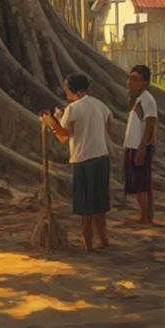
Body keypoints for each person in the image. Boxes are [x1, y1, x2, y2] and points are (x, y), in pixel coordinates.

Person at [41, 72, 113, 251]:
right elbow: (109, 120)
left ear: (73, 90)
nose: (65, 92)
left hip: (83, 159)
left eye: (66, 89)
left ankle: (87, 241)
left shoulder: (73, 108)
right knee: (100, 202)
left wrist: (51, 122)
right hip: (101, 157)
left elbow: (64, 135)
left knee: (85, 204)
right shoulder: (99, 104)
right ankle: (103, 238)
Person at [122, 63, 158, 225]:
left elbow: (150, 124)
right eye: (130, 78)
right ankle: (145, 213)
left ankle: (145, 215)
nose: (130, 82)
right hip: (132, 144)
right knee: (137, 181)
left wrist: (143, 148)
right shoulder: (137, 99)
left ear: (145, 83)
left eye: (135, 79)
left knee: (141, 182)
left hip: (139, 145)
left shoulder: (148, 100)